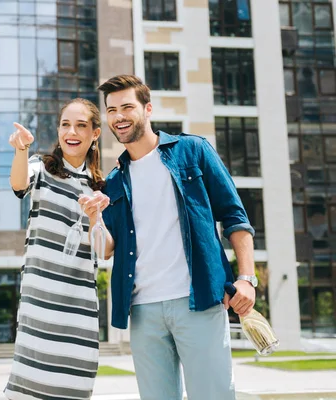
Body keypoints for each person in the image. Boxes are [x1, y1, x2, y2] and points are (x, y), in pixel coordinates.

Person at [79, 75, 257, 400]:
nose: (119, 116)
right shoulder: (114, 181)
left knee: (214, 396)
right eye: (112, 110)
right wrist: (94, 218)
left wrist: (247, 278)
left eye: (127, 107)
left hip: (198, 301)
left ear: (147, 109)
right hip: (143, 310)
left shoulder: (192, 151)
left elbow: (235, 217)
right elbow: (105, 250)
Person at [4, 98, 105, 400]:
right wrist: (21, 150)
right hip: (40, 305)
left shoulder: (101, 187)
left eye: (81, 125)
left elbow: (104, 249)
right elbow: (19, 185)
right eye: (65, 124)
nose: (71, 132)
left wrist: (96, 218)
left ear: (95, 134)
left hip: (79, 310)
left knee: (72, 390)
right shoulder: (42, 167)